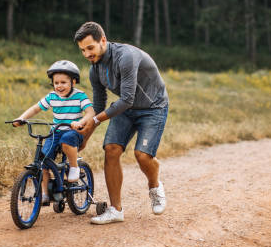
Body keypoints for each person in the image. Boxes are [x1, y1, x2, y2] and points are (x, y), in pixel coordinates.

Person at [73, 21, 169, 225]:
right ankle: (115, 210)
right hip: (126, 110)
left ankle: (154, 186)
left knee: (142, 156)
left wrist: (95, 122)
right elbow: (98, 106)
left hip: (153, 107)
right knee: (111, 149)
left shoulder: (126, 57)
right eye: (83, 50)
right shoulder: (94, 70)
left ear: (103, 40)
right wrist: (85, 138)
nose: (87, 54)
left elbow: (127, 99)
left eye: (90, 48)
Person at [12, 60, 94, 205]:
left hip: (74, 132)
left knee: (67, 140)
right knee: (43, 160)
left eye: (63, 82)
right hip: (55, 131)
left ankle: (74, 167)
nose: (59, 86)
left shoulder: (80, 96)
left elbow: (90, 112)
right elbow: (35, 108)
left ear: (73, 82)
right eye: (56, 83)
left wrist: (80, 122)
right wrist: (21, 118)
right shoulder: (52, 96)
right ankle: (44, 194)